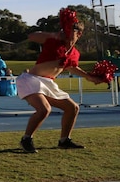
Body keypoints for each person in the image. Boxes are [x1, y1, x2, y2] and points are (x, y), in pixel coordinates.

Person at [17, 13, 100, 153]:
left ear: (79, 34)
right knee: (44, 109)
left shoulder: (74, 53)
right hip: (31, 79)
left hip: (48, 83)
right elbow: (32, 36)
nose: (66, 32)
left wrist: (89, 77)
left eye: (71, 30)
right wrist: (54, 34)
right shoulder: (54, 40)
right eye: (65, 29)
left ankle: (64, 140)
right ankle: (26, 139)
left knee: (73, 108)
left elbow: (72, 67)